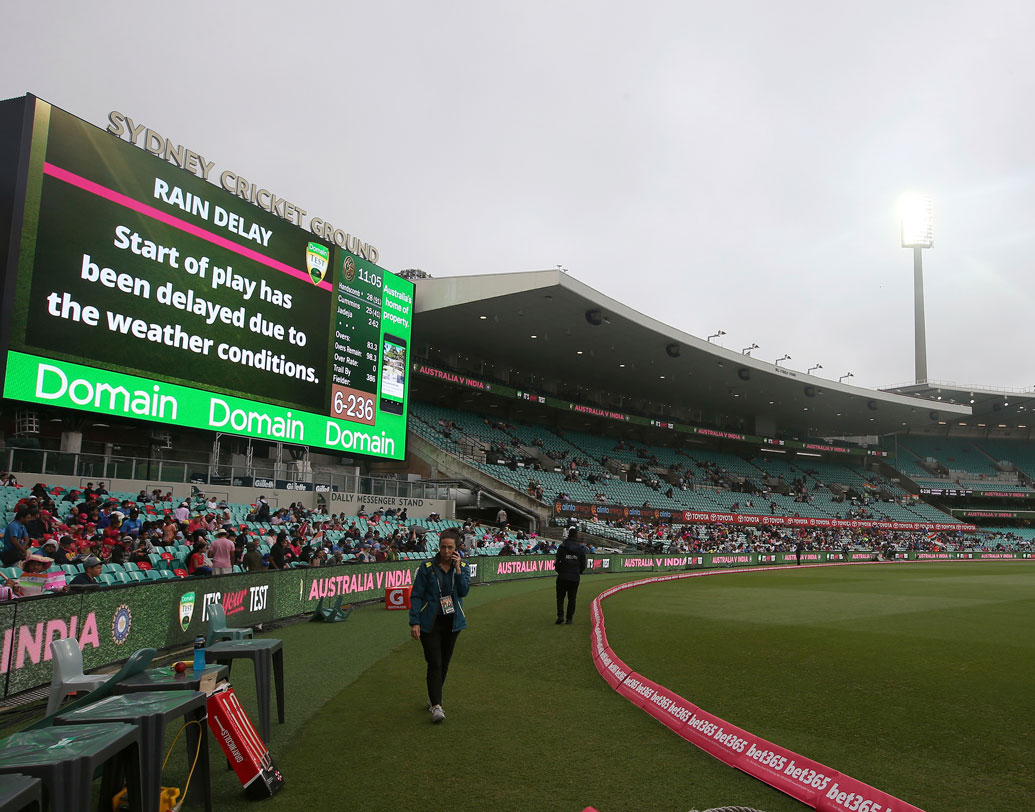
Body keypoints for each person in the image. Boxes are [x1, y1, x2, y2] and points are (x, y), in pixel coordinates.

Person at [409, 528, 470, 724]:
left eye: (449, 547)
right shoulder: (427, 567)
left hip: (452, 623)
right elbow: (416, 595)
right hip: (430, 622)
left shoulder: (463, 567)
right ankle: (436, 705)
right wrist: (415, 621)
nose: (445, 551)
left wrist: (459, 570)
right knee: (434, 662)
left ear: (456, 548)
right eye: (443, 547)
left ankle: (433, 696)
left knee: (444, 663)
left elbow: (463, 591)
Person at [554, 527, 587, 625]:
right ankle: (569, 618)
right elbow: (583, 563)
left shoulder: (562, 546)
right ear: (576, 535)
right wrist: (578, 571)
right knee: (572, 598)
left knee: (560, 598)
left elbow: (557, 561)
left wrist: (560, 571)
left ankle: (560, 616)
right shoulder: (580, 548)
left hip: (563, 575)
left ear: (568, 535)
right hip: (574, 576)